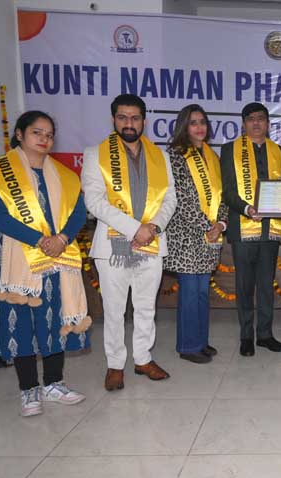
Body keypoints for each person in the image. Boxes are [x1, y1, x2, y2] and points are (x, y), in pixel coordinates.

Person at [0, 110, 90, 416]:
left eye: (49, 135)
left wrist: (63, 238)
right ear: (20, 134)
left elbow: (78, 212)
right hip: (17, 256)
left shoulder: (65, 176)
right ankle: (29, 390)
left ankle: (54, 383)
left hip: (57, 256)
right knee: (21, 321)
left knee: (55, 317)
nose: (44, 139)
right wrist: (40, 239)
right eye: (37, 133)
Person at [82, 94, 177, 391]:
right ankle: (115, 365)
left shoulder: (160, 157)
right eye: (122, 117)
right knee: (114, 310)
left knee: (146, 307)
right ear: (113, 119)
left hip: (151, 242)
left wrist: (154, 227)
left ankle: (143, 359)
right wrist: (136, 229)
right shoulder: (95, 154)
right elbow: (94, 202)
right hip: (114, 245)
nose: (129, 123)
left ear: (144, 121)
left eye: (135, 118)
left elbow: (170, 198)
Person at [220, 102, 281, 356]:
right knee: (245, 285)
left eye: (261, 118)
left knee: (266, 284)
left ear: (268, 123)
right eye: (251, 118)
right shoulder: (230, 150)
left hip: (270, 228)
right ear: (244, 123)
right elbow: (227, 191)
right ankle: (246, 336)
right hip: (242, 226)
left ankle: (265, 335)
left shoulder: (279, 151)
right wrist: (247, 209)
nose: (256, 122)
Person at [163, 104, 228, 364]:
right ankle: (188, 346)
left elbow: (221, 195)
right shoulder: (176, 155)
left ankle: (200, 341)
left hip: (210, 236)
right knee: (190, 293)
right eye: (193, 122)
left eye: (202, 121)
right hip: (187, 237)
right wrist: (207, 227)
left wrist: (220, 224)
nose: (199, 127)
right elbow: (183, 199)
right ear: (184, 126)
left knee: (202, 292)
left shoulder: (212, 155)